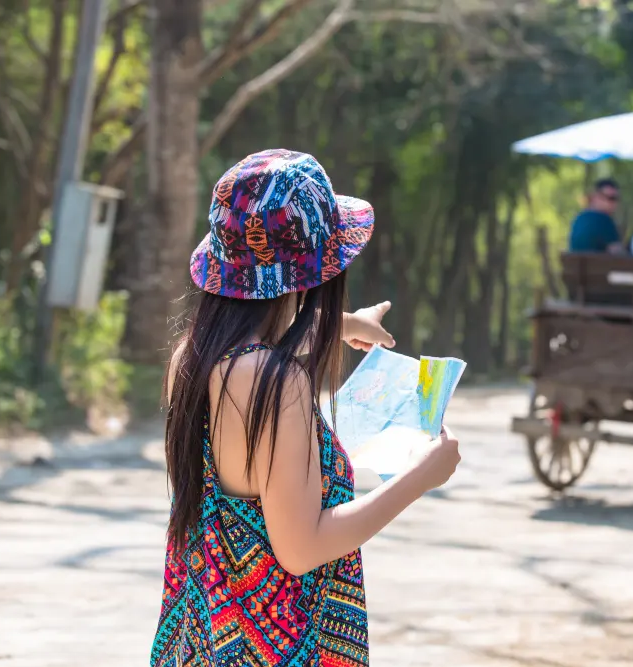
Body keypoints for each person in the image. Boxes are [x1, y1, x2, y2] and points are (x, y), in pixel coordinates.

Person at [151, 149, 461, 667]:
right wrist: (419, 478)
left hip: (202, 641)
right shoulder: (279, 385)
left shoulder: (193, 358)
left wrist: (340, 324)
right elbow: (301, 549)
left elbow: (256, 346)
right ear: (319, 270)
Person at [568, 177, 625, 254]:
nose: (614, 203)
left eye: (616, 199)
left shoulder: (578, 218)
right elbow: (617, 252)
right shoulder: (605, 221)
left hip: (576, 265)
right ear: (596, 197)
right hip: (598, 265)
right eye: (611, 198)